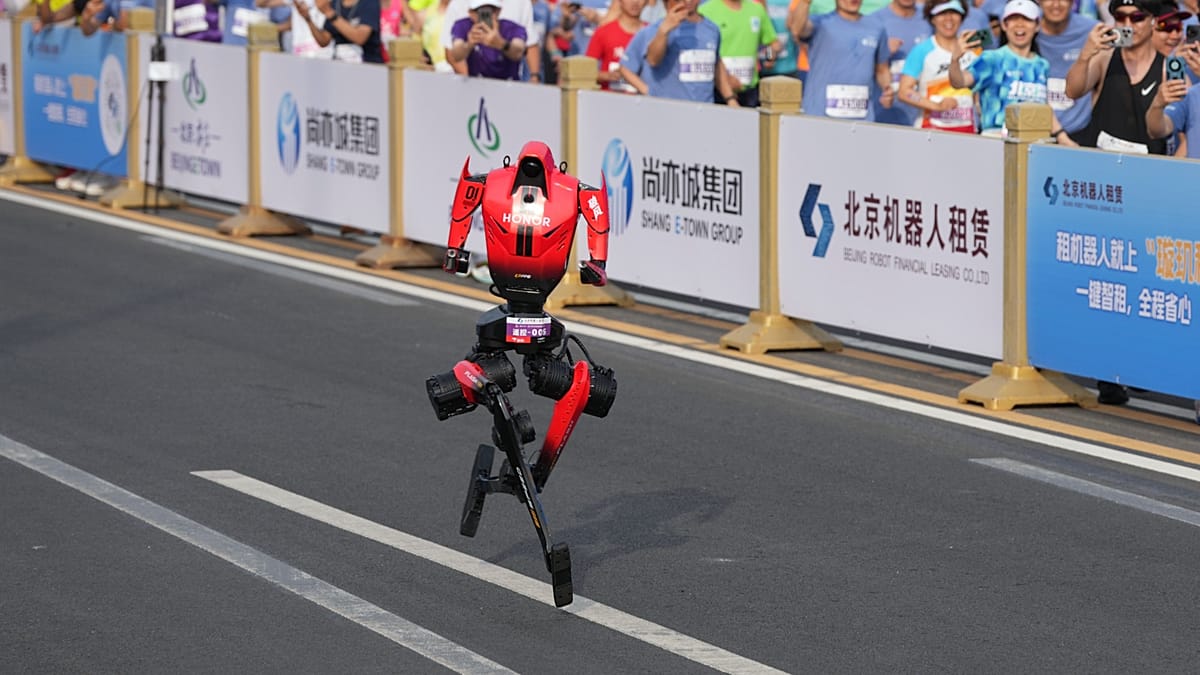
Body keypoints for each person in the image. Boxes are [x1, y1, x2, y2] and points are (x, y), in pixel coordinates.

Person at [1065, 0, 1166, 153]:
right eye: (1120, 17)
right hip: (1102, 165)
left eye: (1137, 18)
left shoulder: (1166, 68)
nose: (1127, 24)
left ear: (1154, 21)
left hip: (1148, 167)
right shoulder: (1104, 59)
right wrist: (1085, 55)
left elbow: (1179, 126)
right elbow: (1072, 92)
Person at [950, 0, 1061, 136]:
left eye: (1027, 19)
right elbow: (959, 82)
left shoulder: (1042, 65)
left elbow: (1045, 107)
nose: (1019, 25)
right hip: (996, 139)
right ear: (1004, 25)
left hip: (1034, 140)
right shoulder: (992, 58)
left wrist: (1062, 136)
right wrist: (955, 60)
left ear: (1037, 26)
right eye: (1013, 20)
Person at [788, 0, 893, 121]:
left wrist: (887, 88)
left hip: (861, 119)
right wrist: (806, 2)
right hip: (820, 115)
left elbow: (881, 68)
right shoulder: (821, 22)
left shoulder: (876, 27)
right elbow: (797, 30)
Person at [620, 0, 740, 103]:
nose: (688, 1)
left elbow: (716, 64)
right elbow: (649, 62)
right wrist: (649, 91)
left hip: (703, 110)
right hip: (668, 112)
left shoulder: (712, 29)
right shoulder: (652, 30)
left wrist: (730, 98)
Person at [897, 0, 976, 133]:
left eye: (954, 12)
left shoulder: (974, 51)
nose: (948, 19)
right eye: (942, 13)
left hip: (968, 131)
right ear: (932, 18)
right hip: (930, 132)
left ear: (962, 17)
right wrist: (935, 106)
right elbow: (905, 92)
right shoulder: (922, 50)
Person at [698, 0, 783, 106]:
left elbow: (772, 43)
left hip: (750, 92)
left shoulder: (756, 10)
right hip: (718, 93)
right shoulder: (705, 11)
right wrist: (725, 80)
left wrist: (769, 58)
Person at [1038, 0, 1101, 136]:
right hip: (1033, 128)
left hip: (1080, 131)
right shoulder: (1025, 26)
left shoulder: (1092, 30)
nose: (1056, 4)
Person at [867, 0, 932, 126]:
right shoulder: (874, 20)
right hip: (884, 116)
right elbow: (857, 66)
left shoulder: (930, 19)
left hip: (921, 117)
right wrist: (883, 52)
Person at [441, 0, 541, 81]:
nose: (486, 16)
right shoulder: (462, 25)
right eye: (479, 11)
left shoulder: (512, 27)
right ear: (471, 13)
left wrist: (501, 44)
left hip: (508, 86)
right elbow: (454, 53)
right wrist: (469, 44)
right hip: (474, 85)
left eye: (491, 10)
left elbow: (521, 49)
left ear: (498, 11)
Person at [585, 0, 647, 91]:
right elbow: (585, 72)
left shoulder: (653, 33)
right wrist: (606, 75)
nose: (635, 2)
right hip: (609, 99)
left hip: (646, 100)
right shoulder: (603, 32)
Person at [295, 0, 385, 62]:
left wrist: (329, 13)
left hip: (367, 66)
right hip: (340, 65)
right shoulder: (336, 3)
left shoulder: (369, 3)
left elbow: (360, 37)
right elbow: (324, 41)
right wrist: (308, 19)